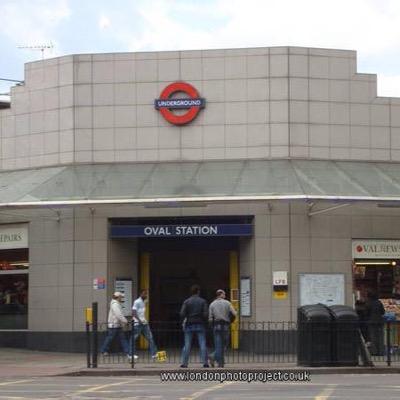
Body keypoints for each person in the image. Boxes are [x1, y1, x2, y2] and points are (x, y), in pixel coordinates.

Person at [180, 284, 209, 368]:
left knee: (187, 344)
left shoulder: (187, 301)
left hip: (189, 324)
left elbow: (182, 313)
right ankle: (205, 363)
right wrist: (203, 319)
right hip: (200, 323)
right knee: (202, 344)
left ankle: (184, 363)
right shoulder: (203, 301)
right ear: (198, 291)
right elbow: (206, 314)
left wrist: (185, 318)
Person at [208, 289, 237, 368]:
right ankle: (218, 360)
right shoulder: (227, 303)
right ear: (221, 294)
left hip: (216, 326)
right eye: (224, 294)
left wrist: (211, 326)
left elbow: (210, 318)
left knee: (218, 344)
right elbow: (234, 313)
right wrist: (231, 320)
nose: (225, 296)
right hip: (225, 325)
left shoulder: (212, 304)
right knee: (224, 345)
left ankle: (216, 358)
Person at [100, 292, 130, 359]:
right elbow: (119, 315)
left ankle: (128, 352)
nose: (122, 298)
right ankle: (103, 350)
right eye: (121, 297)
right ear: (118, 297)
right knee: (112, 338)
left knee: (120, 338)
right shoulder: (115, 304)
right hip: (114, 325)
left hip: (117, 325)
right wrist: (125, 321)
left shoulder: (116, 304)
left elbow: (119, 315)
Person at [129, 289, 158, 359]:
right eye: (144, 294)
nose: (146, 295)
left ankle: (154, 354)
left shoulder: (144, 301)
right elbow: (134, 312)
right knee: (133, 338)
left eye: (146, 294)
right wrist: (139, 320)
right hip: (137, 323)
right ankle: (131, 354)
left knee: (150, 338)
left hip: (144, 323)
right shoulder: (137, 301)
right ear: (140, 294)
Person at [365, 291, 385, 356]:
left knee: (373, 337)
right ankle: (381, 351)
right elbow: (383, 312)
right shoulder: (379, 302)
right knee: (380, 337)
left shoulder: (368, 303)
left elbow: (366, 313)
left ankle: (374, 352)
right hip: (380, 321)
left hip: (371, 322)